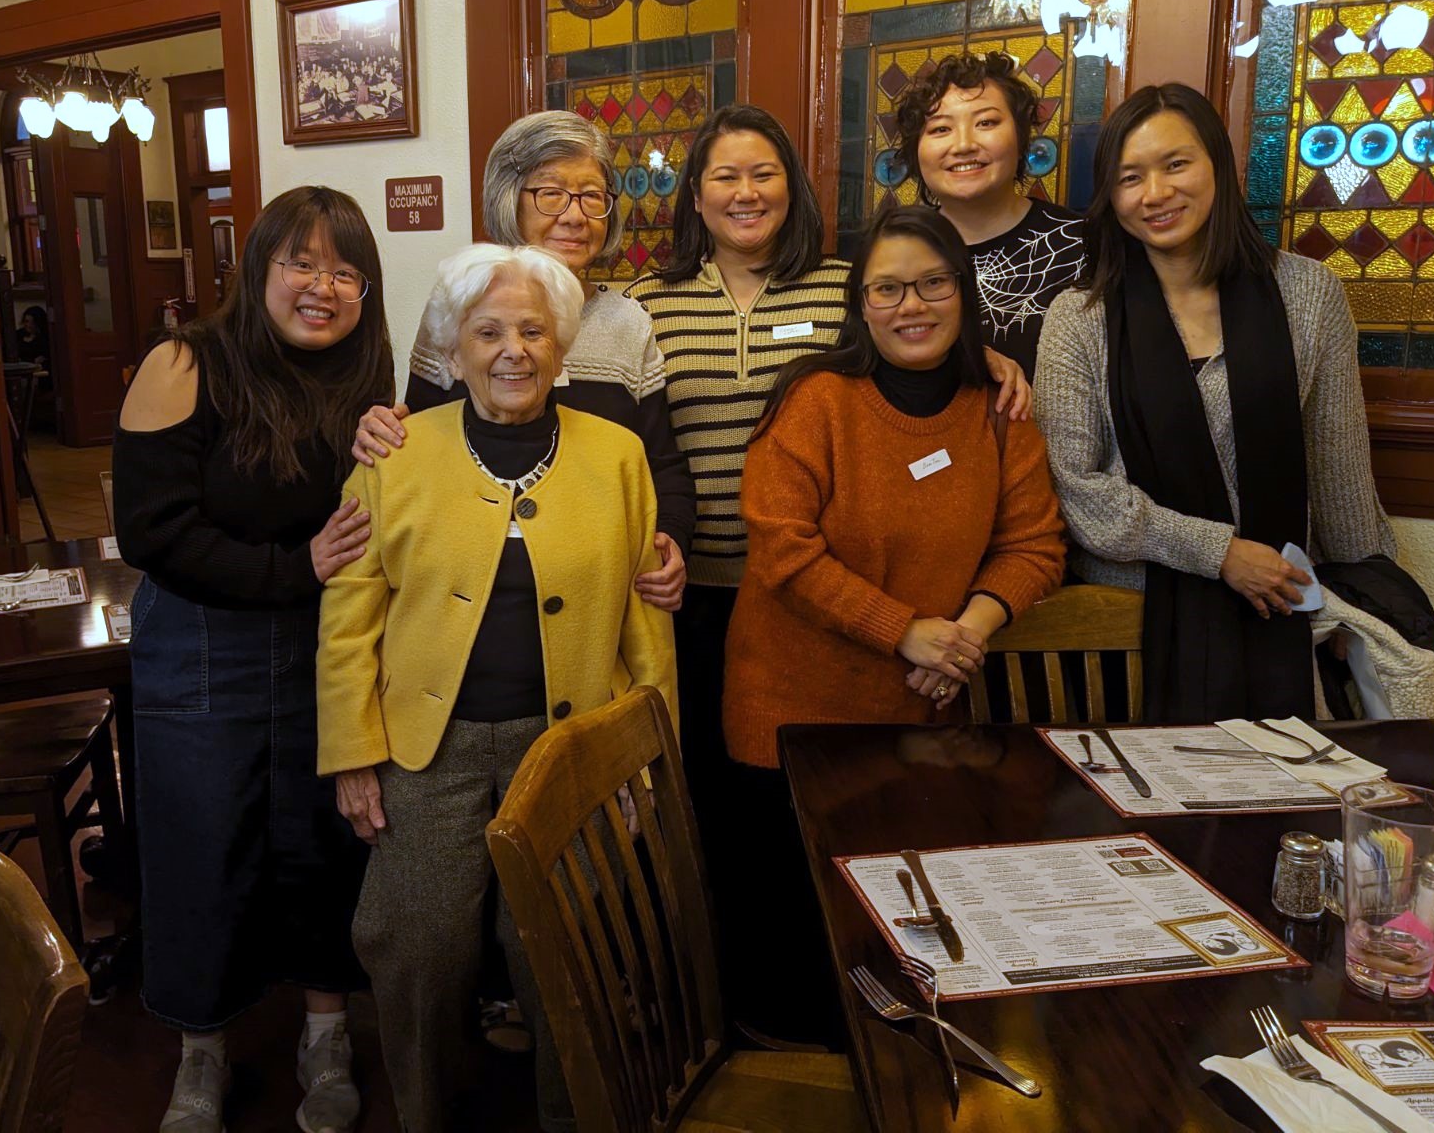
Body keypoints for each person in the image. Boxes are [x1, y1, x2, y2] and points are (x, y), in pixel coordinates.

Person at [626, 104, 1031, 1035]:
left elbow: (911, 319)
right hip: (691, 594)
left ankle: (823, 1016)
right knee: (714, 821)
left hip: (840, 610)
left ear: (794, 187)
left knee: (849, 854)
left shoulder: (843, 281)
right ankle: (718, 1010)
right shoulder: (649, 301)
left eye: (764, 172)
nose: (746, 192)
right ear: (695, 195)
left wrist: (985, 358)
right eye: (725, 175)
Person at [319, 242, 677, 1133]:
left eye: (533, 331)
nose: (513, 350)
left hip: (569, 748)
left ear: (561, 346)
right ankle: (426, 1116)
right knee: (417, 948)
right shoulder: (394, 454)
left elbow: (646, 622)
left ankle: (572, 1116)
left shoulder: (619, 455)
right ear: (453, 348)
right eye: (488, 332)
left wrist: (640, 758)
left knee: (567, 949)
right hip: (424, 750)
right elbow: (350, 616)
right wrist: (353, 755)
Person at [722, 204, 1064, 1036]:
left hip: (920, 713)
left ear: (963, 291)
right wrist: (906, 630)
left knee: (899, 937)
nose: (912, 305)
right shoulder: (815, 399)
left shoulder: (999, 410)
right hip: (792, 719)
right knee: (794, 955)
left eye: (933, 283)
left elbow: (1034, 545)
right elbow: (782, 549)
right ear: (861, 304)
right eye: (887, 288)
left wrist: (966, 633)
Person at [114, 185, 388, 1133]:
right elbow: (151, 532)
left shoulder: (364, 376)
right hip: (200, 638)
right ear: (258, 266)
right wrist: (294, 567)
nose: (323, 287)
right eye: (301, 263)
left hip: (320, 639)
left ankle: (326, 1034)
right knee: (201, 843)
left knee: (322, 840)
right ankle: (201, 1052)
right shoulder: (186, 361)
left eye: (345, 272)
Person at [1035, 83, 1395, 723]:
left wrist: (1365, 597)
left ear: (1218, 167)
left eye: (1176, 164)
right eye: (1129, 178)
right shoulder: (1080, 316)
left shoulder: (1308, 293)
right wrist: (1219, 553)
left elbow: (1338, 468)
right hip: (1132, 623)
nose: (1155, 193)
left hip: (1278, 604)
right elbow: (1075, 487)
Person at [353, 108, 694, 612]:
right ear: (509, 199)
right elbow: (424, 439)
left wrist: (671, 539)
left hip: (596, 586)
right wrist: (383, 432)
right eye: (551, 193)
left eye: (591, 196)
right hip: (467, 581)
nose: (574, 216)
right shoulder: (458, 307)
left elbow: (659, 463)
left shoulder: (629, 324)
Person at [894, 50, 1086, 382]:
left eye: (986, 123)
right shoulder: (893, 253)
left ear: (1021, 137)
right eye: (940, 129)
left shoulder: (1084, 245)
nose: (963, 145)